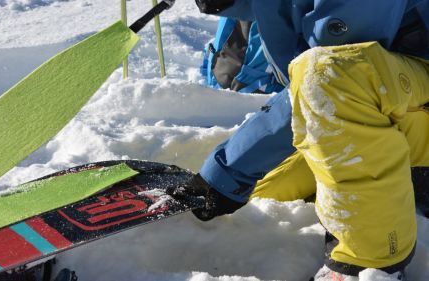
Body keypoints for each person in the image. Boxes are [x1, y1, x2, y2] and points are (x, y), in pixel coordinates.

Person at [172, 1, 429, 279]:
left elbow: (332, 74)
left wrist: (224, 173)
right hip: (391, 102)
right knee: (266, 195)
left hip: (406, 96)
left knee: (328, 74)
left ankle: (372, 263)